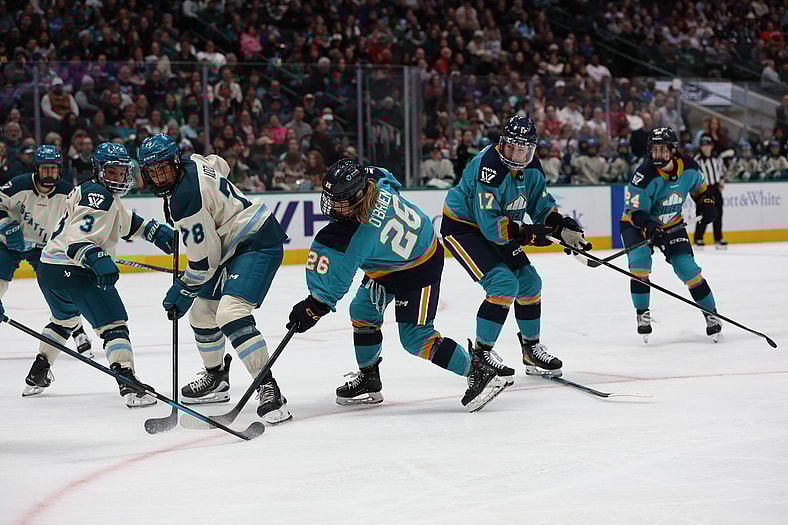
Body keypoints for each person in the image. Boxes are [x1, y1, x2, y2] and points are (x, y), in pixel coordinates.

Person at [286, 159, 511, 412]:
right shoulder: (374, 179)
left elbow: (332, 286)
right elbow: (389, 176)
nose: (332, 206)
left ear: (359, 195)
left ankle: (479, 371)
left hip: (419, 266)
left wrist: (312, 308)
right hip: (391, 264)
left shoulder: (356, 234)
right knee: (362, 312)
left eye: (340, 200)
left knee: (416, 338)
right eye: (331, 197)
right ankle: (369, 379)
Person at [138, 134, 291, 425]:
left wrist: (183, 288)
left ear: (175, 162)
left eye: (164, 169)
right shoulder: (192, 161)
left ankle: (268, 387)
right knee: (202, 313)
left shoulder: (185, 198)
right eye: (154, 171)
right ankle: (217, 377)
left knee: (230, 313)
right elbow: (219, 164)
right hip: (231, 245)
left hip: (255, 240)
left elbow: (204, 261)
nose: (160, 177)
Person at [23, 143, 175, 406]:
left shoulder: (92, 191)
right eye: (112, 172)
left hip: (49, 271)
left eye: (122, 172)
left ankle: (38, 371)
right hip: (75, 270)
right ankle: (128, 384)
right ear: (98, 170)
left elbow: (126, 222)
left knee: (64, 322)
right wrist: (96, 257)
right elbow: (78, 241)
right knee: (114, 325)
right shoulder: (98, 196)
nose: (119, 178)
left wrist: (154, 232)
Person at [441, 115, 592, 378]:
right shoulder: (489, 168)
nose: (517, 154)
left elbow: (540, 205)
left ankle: (531, 349)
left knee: (530, 283)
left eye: (524, 149)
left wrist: (562, 226)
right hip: (464, 228)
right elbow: (491, 227)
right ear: (502, 143)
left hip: (495, 228)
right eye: (512, 147)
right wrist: (533, 235)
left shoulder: (532, 166)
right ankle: (481, 354)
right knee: (503, 284)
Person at [620, 127, 722, 343]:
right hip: (637, 226)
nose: (658, 155)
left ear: (673, 150)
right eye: (654, 150)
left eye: (663, 150)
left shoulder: (690, 167)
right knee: (639, 265)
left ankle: (711, 314)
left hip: (671, 224)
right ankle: (642, 313)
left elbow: (701, 191)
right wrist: (649, 227)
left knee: (687, 268)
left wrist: (707, 202)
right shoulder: (643, 176)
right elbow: (636, 212)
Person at [0, 145, 94, 357]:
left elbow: (77, 222)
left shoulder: (69, 193)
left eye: (53, 169)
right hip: (10, 243)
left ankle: (78, 331)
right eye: (45, 169)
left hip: (43, 248)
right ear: (36, 169)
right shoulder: (19, 184)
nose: (49, 174)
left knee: (59, 289)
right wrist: (6, 224)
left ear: (59, 170)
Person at [693, 135, 727, 249]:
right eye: (704, 146)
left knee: (718, 214)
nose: (706, 148)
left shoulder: (717, 158)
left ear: (711, 146)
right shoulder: (697, 160)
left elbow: (722, 171)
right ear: (701, 147)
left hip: (716, 188)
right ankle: (698, 238)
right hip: (704, 190)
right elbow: (694, 176)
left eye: (708, 145)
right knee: (703, 213)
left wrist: (721, 181)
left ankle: (718, 238)